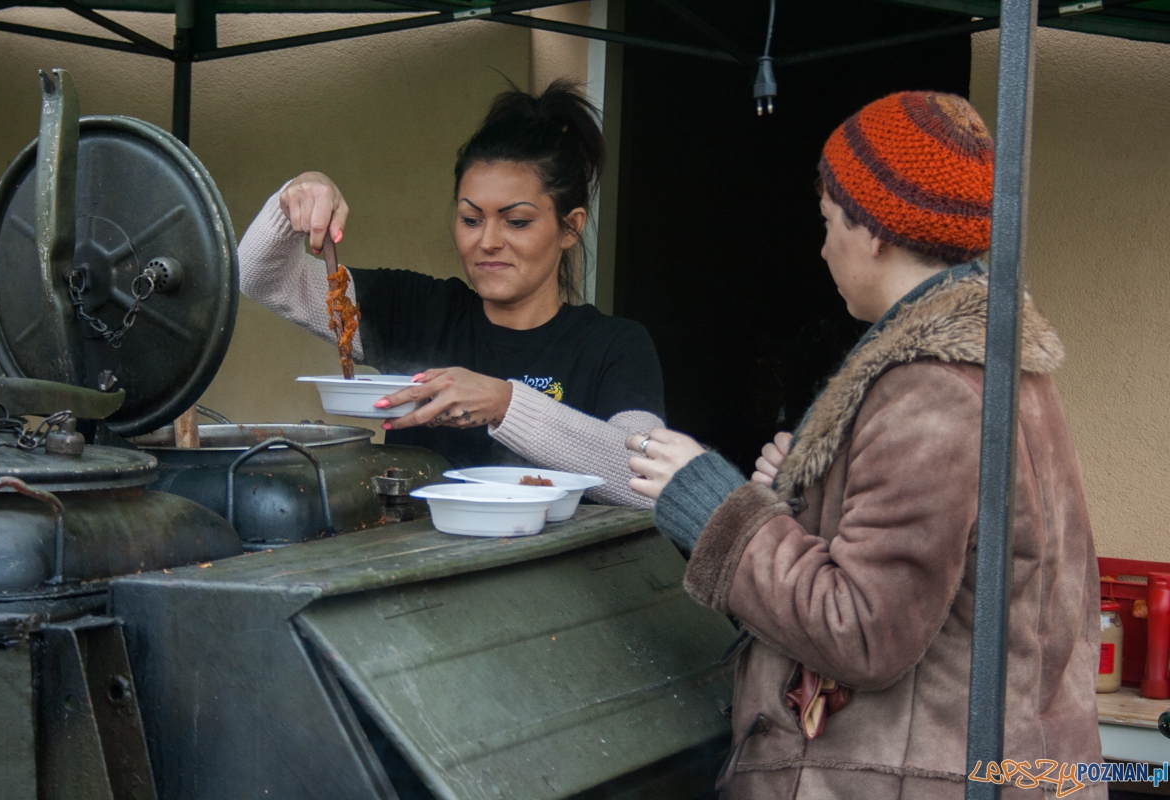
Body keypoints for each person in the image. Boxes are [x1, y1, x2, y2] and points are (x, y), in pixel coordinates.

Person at [625, 92, 1103, 798]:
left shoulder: (933, 390)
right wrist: (812, 499)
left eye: (828, 223)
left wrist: (716, 510)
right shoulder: (999, 369)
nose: (822, 248)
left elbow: (862, 629)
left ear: (874, 230)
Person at [238, 81, 662, 505]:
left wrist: (505, 403)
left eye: (516, 221)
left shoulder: (615, 346)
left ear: (570, 227)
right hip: (409, 563)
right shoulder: (417, 309)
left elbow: (646, 485)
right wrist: (297, 193)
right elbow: (259, 275)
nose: (488, 241)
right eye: (471, 219)